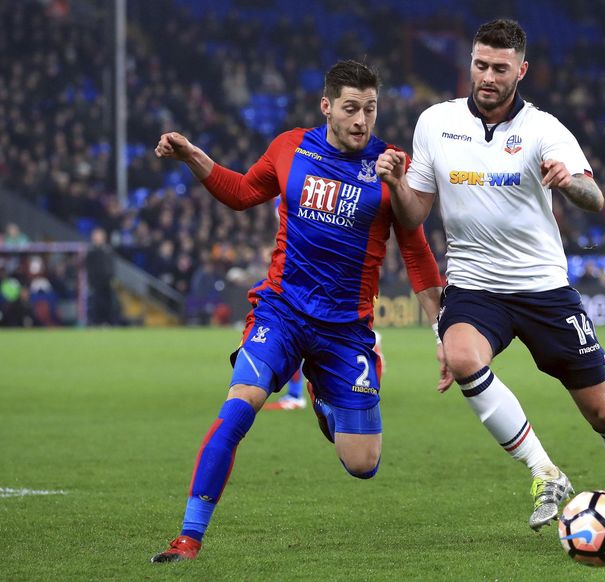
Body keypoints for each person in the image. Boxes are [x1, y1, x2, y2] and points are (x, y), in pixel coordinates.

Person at [377, 19, 605, 556]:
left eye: (499, 68)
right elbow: (413, 214)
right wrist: (394, 184)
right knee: (461, 356)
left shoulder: (546, 129)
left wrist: (566, 180)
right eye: (480, 64)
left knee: (604, 412)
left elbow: (594, 197)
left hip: (543, 287)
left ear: (520, 70)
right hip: (476, 286)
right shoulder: (436, 123)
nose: (486, 76)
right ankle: (545, 471)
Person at [150, 60, 448, 562]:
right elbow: (243, 192)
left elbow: (416, 250)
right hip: (281, 312)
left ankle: (324, 397)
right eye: (351, 108)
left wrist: (442, 329)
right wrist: (195, 158)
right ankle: (188, 538)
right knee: (238, 407)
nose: (361, 121)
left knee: (362, 463)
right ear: (326, 106)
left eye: (370, 110)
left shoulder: (389, 163)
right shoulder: (291, 147)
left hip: (346, 330)